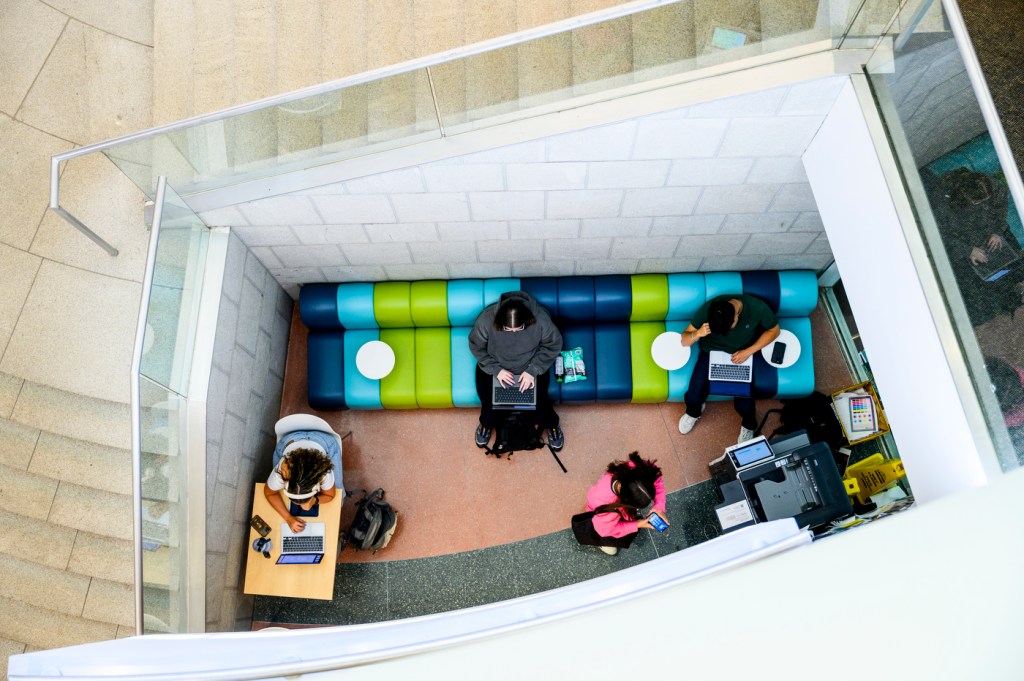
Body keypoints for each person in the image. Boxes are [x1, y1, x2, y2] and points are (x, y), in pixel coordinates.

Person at [468, 290, 565, 451]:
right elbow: (475, 346)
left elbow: (553, 345)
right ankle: (486, 425)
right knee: (489, 406)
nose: (513, 332)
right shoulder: (486, 319)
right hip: (495, 366)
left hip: (529, 367)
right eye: (507, 328)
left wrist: (533, 370)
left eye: (518, 328)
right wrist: (496, 370)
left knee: (540, 406)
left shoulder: (541, 320)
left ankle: (553, 426)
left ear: (527, 320)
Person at [677, 294, 780, 443]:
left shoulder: (757, 308)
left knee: (745, 404)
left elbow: (774, 330)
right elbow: (684, 340)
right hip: (710, 353)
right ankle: (693, 412)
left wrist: (748, 351)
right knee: (694, 395)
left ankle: (749, 425)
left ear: (736, 317)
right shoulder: (710, 309)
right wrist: (698, 333)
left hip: (741, 355)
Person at [929, 167, 1022, 325]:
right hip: (962, 240)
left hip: (990, 234)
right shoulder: (941, 202)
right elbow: (939, 234)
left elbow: (1000, 208)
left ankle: (1010, 286)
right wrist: (968, 250)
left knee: (1013, 261)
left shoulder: (991, 186)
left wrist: (996, 231)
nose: (983, 203)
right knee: (974, 287)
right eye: (978, 202)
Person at [581, 452, 668, 555]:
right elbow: (604, 531)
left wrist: (659, 505)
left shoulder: (636, 469)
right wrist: (638, 524)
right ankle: (600, 543)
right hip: (601, 519)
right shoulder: (606, 507)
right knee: (612, 550)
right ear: (626, 502)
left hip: (609, 510)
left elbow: (656, 477)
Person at [264, 429, 342, 532]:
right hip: (291, 440)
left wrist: (315, 500)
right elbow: (269, 493)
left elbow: (331, 495)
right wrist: (288, 518)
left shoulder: (323, 472)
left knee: (340, 495)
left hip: (324, 441)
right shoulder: (282, 471)